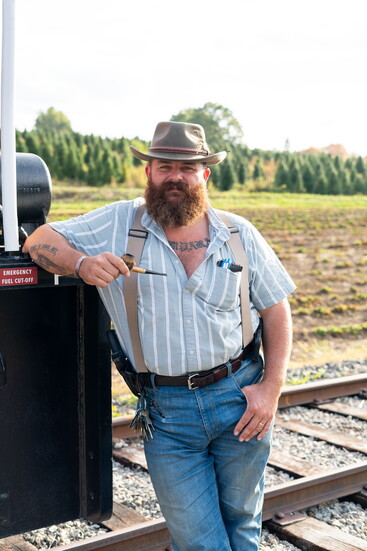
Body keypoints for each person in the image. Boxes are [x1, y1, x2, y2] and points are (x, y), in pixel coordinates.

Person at [23, 121, 295, 551]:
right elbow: (38, 240)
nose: (175, 177)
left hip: (241, 399)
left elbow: (276, 311)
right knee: (200, 542)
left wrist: (271, 390)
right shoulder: (117, 222)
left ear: (205, 175)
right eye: (165, 166)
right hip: (168, 415)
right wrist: (81, 264)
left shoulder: (239, 234)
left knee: (243, 525)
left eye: (187, 168)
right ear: (149, 172)